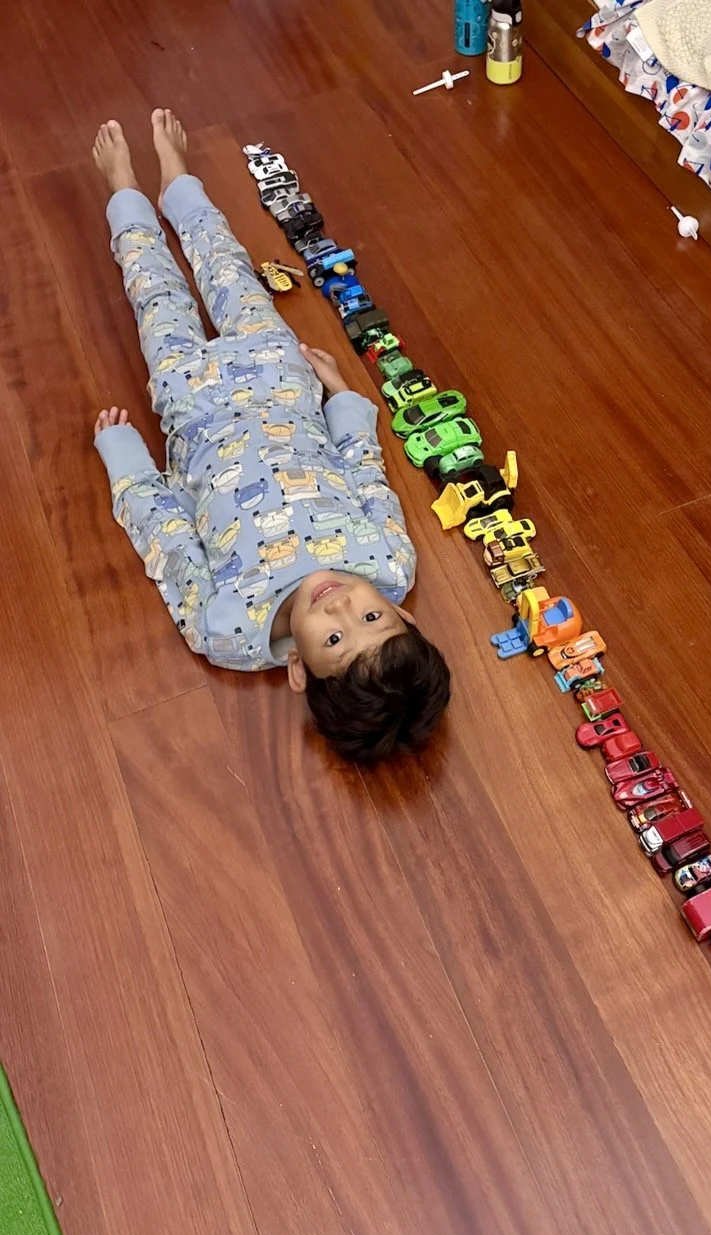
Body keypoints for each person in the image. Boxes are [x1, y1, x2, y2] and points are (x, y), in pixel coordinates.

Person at [91, 110, 450, 763]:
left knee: (155, 294)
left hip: (192, 404)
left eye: (334, 641)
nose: (342, 609)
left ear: (298, 671)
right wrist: (344, 397)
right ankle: (178, 183)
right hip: (280, 378)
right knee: (229, 270)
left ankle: (124, 195)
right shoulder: (389, 564)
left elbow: (168, 541)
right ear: (406, 616)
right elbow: (366, 474)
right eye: (373, 618)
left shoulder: (227, 628)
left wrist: (128, 466)